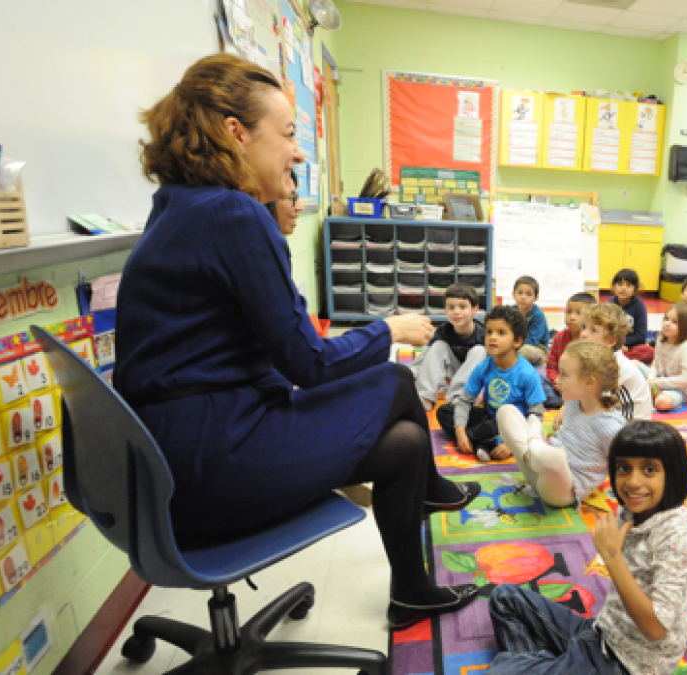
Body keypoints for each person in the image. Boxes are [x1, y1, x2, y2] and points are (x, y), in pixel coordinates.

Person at [116, 54, 479, 629]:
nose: (299, 151)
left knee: (407, 441)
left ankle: (411, 585)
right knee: (394, 377)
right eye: (288, 134)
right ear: (237, 134)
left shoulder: (176, 207)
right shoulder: (233, 212)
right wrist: (383, 329)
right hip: (214, 458)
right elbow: (305, 363)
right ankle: (431, 496)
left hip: (169, 467)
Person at [486, 422, 687, 674]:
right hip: (601, 634)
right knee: (505, 598)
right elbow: (674, 594)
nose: (632, 482)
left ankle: (541, 666)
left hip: (624, 665)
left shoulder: (677, 536)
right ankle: (546, 665)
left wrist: (612, 557)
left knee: (501, 670)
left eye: (649, 469)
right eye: (623, 468)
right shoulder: (633, 509)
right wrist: (685, 623)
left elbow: (655, 629)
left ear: (673, 474)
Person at [499, 341, 626, 507]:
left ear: (590, 382)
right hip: (538, 471)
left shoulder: (611, 428)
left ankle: (533, 440)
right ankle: (534, 446)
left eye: (564, 374)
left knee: (554, 457)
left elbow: (624, 465)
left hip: (562, 491)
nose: (556, 380)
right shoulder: (573, 402)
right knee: (506, 411)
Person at [437, 305, 546, 462]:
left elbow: (536, 415)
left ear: (517, 341)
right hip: (488, 418)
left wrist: (512, 445)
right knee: (445, 412)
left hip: (515, 426)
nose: (493, 337)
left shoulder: (528, 374)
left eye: (501, 333)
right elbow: (464, 401)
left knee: (493, 426)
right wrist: (460, 431)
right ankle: (482, 443)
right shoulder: (483, 366)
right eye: (489, 332)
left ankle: (483, 442)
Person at [413, 283, 485, 412]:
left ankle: (458, 400)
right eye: (451, 307)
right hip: (453, 374)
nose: (456, 312)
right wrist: (410, 375)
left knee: (480, 350)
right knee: (438, 346)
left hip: (476, 382)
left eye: (462, 307)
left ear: (475, 309)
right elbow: (426, 356)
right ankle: (425, 398)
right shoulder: (443, 331)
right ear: (446, 310)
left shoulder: (483, 334)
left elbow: (496, 364)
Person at [580, 303, 653, 422]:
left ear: (611, 341)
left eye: (593, 330)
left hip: (631, 427)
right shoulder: (595, 359)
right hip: (612, 415)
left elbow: (598, 405)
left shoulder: (614, 366)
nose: (583, 334)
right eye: (584, 327)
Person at [543, 292, 597, 409]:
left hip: (582, 390)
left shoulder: (592, 341)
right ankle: (569, 403)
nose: (572, 317)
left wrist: (573, 386)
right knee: (538, 380)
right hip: (560, 388)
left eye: (579, 313)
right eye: (569, 312)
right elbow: (551, 366)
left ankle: (572, 403)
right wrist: (556, 380)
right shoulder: (559, 337)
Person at [649, 303, 687, 412]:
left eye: (674, 322)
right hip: (659, 381)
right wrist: (651, 380)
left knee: (662, 402)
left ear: (686, 327)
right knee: (634, 364)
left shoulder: (686, 348)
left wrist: (656, 382)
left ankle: (657, 395)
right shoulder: (660, 341)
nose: (667, 323)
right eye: (666, 319)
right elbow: (655, 364)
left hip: (679, 389)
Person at [609, 268, 654, 365]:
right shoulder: (609, 305)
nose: (623, 288)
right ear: (614, 286)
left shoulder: (639, 306)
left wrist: (625, 344)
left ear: (635, 289)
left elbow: (641, 335)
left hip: (632, 346)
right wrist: (617, 344)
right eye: (620, 284)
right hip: (612, 343)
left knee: (649, 351)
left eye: (628, 285)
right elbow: (604, 330)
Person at [513, 276, 549, 366]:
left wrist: (513, 346)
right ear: (513, 294)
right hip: (514, 345)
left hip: (538, 347)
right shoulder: (511, 311)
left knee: (524, 351)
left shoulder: (538, 315)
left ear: (535, 298)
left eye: (528, 294)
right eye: (520, 293)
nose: (523, 297)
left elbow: (533, 340)